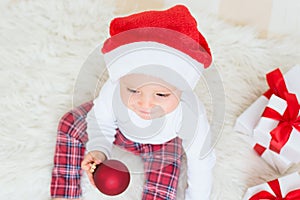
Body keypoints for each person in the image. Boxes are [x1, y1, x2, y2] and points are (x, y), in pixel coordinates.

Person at [51, 5, 216, 200]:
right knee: (70, 122)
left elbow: (201, 161)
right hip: (121, 129)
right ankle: (64, 194)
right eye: (133, 90)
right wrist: (99, 149)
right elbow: (100, 118)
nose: (145, 105)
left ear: (183, 89)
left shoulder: (190, 114)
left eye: (161, 95)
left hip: (161, 143)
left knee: (165, 174)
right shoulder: (113, 90)